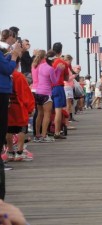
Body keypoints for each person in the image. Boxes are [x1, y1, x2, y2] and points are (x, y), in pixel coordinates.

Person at [0, 29, 22, 199]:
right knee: (2, 126)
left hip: (3, 89)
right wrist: (13, 56)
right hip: (1, 90)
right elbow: (7, 69)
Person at [4, 57, 35, 161]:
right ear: (18, 64)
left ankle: (10, 151)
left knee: (9, 128)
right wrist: (30, 108)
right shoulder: (19, 76)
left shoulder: (4, 75)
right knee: (21, 128)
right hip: (19, 106)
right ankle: (20, 152)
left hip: (7, 105)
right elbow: (25, 93)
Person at [35, 50, 64, 142]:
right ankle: (44, 136)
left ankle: (37, 135)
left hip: (38, 92)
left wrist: (55, 70)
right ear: (53, 60)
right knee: (47, 115)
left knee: (39, 114)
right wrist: (59, 70)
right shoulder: (50, 68)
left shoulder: (41, 66)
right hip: (46, 93)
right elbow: (54, 81)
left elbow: (46, 76)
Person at [51, 42, 69, 139]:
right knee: (58, 110)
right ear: (61, 51)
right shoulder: (62, 62)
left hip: (47, 88)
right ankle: (57, 132)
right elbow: (66, 77)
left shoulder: (47, 61)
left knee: (46, 112)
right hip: (58, 87)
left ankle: (45, 132)